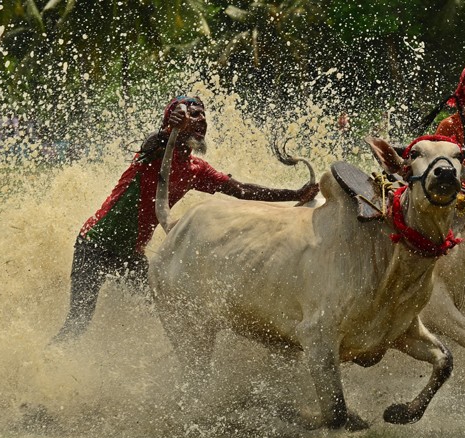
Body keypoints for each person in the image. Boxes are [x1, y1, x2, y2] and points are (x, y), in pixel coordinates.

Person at [52, 95, 319, 343]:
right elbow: (149, 143)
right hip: (95, 244)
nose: (202, 119)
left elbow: (241, 190)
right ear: (174, 120)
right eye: (193, 114)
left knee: (157, 313)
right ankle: (47, 364)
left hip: (130, 254)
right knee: (79, 321)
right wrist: (167, 131)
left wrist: (294, 194)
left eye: (203, 115)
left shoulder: (196, 170)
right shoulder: (154, 153)